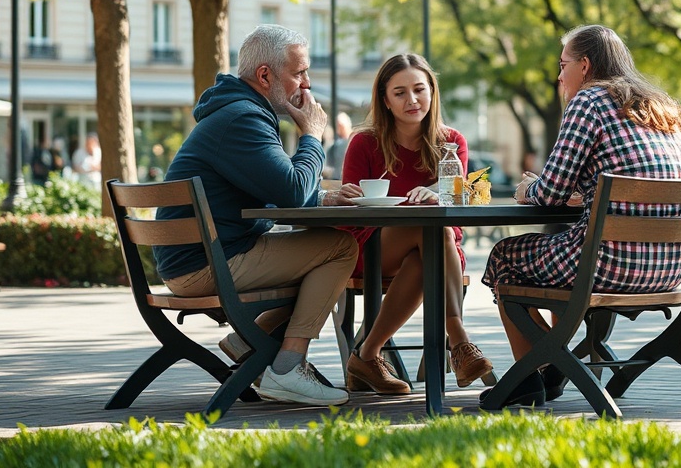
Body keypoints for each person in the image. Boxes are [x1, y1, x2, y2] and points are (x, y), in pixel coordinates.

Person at [480, 25, 681, 409]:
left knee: (505, 257)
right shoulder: (658, 106)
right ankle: (553, 365)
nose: (559, 76)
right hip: (670, 267)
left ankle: (530, 376)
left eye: (563, 65)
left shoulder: (589, 101)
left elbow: (550, 193)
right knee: (554, 252)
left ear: (585, 65)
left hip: (608, 264)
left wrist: (526, 189)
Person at [154, 24, 359, 406]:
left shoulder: (234, 111)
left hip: (198, 258)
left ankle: (247, 342)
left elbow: (273, 191)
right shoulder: (244, 119)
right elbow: (291, 191)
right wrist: (312, 135)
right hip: (205, 266)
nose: (307, 84)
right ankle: (287, 368)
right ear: (265, 75)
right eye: (299, 73)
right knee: (339, 247)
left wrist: (320, 198)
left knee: (313, 257)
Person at [336, 53, 494, 395]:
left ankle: (367, 355)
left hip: (438, 250)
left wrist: (437, 193)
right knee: (430, 230)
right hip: (372, 249)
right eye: (400, 92)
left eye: (420, 89)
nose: (412, 100)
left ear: (432, 92)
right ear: (385, 100)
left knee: (429, 244)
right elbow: (351, 213)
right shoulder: (364, 142)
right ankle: (460, 341)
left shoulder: (451, 143)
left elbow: (458, 199)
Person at [322, 112, 352, 181]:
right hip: (338, 179)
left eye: (341, 125)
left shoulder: (353, 141)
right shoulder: (334, 146)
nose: (340, 128)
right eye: (338, 125)